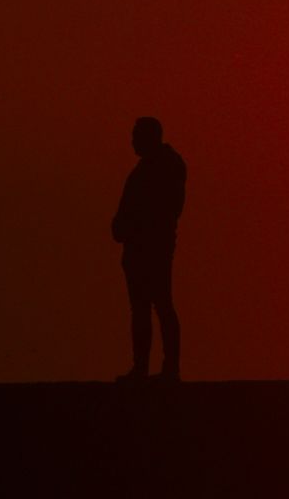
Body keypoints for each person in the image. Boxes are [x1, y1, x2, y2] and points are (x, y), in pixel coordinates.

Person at [111, 117, 186, 383]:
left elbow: (168, 209)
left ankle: (168, 368)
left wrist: (134, 227)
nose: (132, 142)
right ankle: (143, 367)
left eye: (136, 136)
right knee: (143, 308)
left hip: (153, 249)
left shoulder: (164, 165)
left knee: (160, 305)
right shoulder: (148, 167)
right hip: (139, 248)